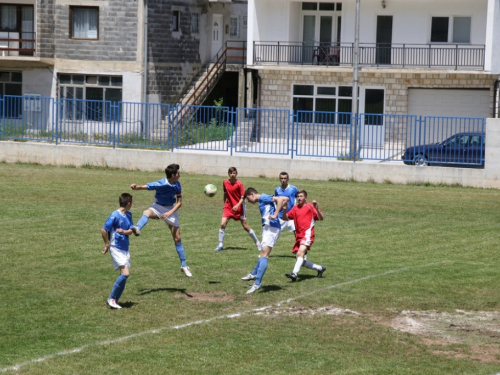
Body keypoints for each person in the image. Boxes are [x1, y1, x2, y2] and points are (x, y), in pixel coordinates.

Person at [130, 163, 192, 277]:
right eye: (178, 173)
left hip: (171, 210)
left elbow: (179, 203)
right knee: (147, 212)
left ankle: (184, 265)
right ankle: (137, 228)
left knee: (177, 238)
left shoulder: (177, 185)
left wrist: (169, 213)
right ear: (173, 175)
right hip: (157, 207)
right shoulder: (161, 183)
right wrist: (136, 187)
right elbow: (147, 186)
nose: (180, 174)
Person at [240, 187, 289, 294]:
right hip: (268, 228)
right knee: (263, 253)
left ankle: (257, 283)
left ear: (252, 194)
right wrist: (283, 206)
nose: (249, 202)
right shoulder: (263, 198)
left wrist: (276, 214)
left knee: (264, 254)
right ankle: (254, 274)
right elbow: (285, 198)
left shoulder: (263, 197)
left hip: (272, 228)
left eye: (248, 199)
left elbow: (280, 200)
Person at [101, 193, 137, 309]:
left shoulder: (129, 215)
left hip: (125, 248)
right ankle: (111, 298)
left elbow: (130, 231)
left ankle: (115, 300)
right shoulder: (114, 215)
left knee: (124, 276)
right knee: (126, 273)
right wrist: (107, 244)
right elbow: (103, 230)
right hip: (115, 247)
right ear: (128, 203)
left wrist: (123, 232)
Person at [215, 167, 261, 252]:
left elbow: (243, 197)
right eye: (231, 173)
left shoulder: (239, 184)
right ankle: (220, 245)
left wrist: (237, 205)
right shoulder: (225, 182)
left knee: (245, 226)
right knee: (222, 224)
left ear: (236, 174)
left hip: (239, 207)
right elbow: (225, 193)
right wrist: (224, 204)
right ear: (228, 174)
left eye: (234, 173)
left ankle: (258, 243)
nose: (233, 175)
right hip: (229, 207)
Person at [283, 190, 326, 281]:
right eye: (298, 196)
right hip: (298, 237)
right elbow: (285, 218)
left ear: (305, 198)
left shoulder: (310, 207)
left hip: (308, 234)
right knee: (301, 260)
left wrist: (317, 209)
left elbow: (321, 218)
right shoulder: (295, 208)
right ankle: (320, 268)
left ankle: (294, 274)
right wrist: (284, 210)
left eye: (301, 196)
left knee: (300, 254)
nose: (299, 198)